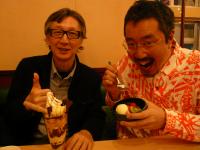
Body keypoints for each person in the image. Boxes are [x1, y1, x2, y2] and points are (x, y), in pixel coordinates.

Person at [4, 8, 105, 149]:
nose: (64, 40)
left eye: (72, 34)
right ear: (47, 38)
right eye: (57, 32)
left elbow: (96, 116)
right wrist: (25, 106)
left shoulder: (90, 77)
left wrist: (87, 133)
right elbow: (8, 116)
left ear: (81, 40)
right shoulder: (28, 68)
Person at [102, 1, 200, 142]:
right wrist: (114, 94)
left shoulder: (196, 65)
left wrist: (166, 120)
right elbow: (120, 109)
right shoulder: (125, 63)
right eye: (131, 44)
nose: (139, 54)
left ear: (170, 37)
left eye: (148, 43)